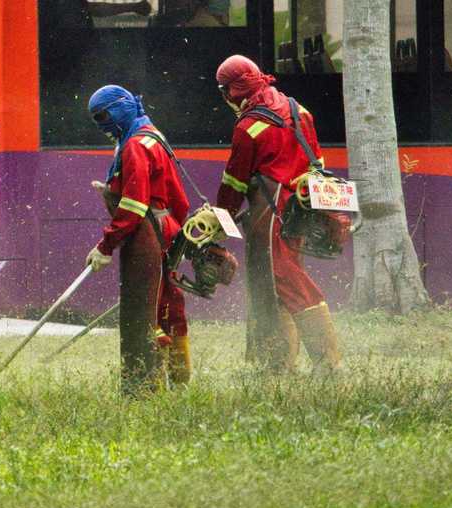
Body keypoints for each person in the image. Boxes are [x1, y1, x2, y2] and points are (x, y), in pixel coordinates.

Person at [215, 55, 342, 372]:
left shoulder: (248, 127)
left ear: (233, 90)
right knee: (274, 284)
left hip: (270, 215)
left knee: (286, 282)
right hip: (300, 211)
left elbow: (234, 183)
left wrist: (220, 219)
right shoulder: (298, 110)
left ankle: (329, 365)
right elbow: (318, 165)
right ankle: (278, 364)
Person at [86, 85, 191, 394]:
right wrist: (178, 237)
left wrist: (105, 246)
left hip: (145, 236)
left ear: (120, 108)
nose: (102, 125)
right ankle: (180, 379)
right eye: (96, 120)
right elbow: (179, 198)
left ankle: (144, 387)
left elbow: (133, 207)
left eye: (103, 116)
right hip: (167, 228)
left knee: (142, 310)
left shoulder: (134, 145)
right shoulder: (153, 135)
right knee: (169, 306)